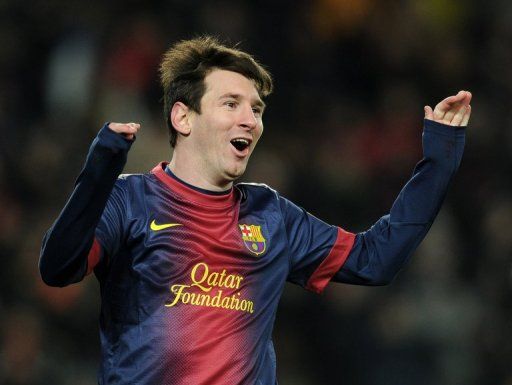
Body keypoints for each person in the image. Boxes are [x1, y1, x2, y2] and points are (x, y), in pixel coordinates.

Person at [39, 36, 472, 385]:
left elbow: (375, 260)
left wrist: (439, 161)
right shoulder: (129, 200)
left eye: (257, 109)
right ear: (183, 118)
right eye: (232, 104)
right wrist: (98, 173)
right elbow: (58, 268)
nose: (251, 119)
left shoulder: (271, 215)